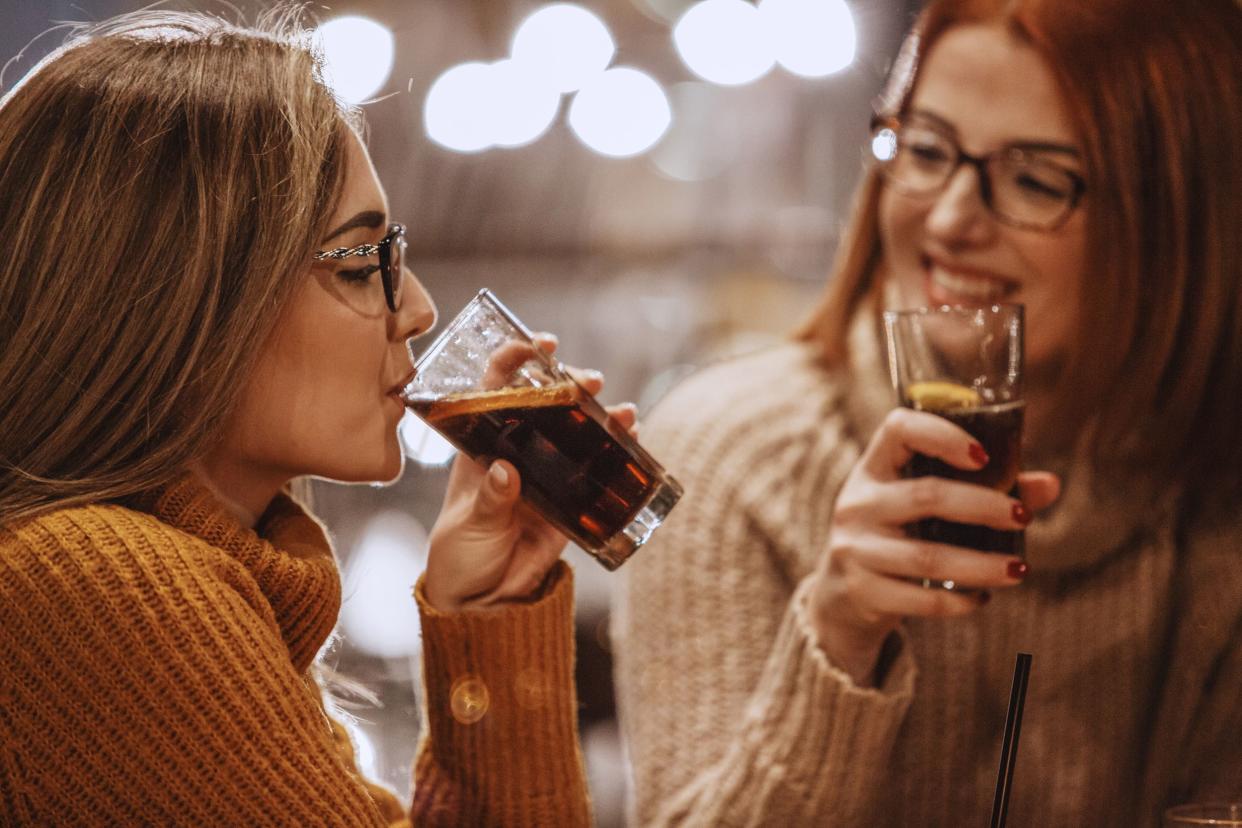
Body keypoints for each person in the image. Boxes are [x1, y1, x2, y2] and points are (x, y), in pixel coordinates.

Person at [613, 0, 1242, 824]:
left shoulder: (1215, 508)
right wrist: (838, 635)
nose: (948, 220)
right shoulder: (727, 454)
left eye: (1036, 180)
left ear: (1175, 219)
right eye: (927, 150)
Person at [0, 10, 624, 826]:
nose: (421, 309)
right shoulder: (102, 581)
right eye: (364, 264)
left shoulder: (180, 578)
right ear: (186, 292)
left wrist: (488, 614)